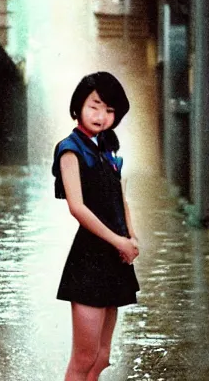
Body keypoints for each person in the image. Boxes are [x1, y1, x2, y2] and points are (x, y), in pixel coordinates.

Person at [52, 72, 140, 381]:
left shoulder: (108, 149)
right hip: (89, 260)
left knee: (101, 358)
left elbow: (121, 199)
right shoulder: (69, 150)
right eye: (95, 106)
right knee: (84, 357)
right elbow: (77, 208)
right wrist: (119, 241)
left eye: (110, 110)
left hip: (115, 257)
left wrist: (131, 237)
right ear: (79, 105)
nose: (102, 116)